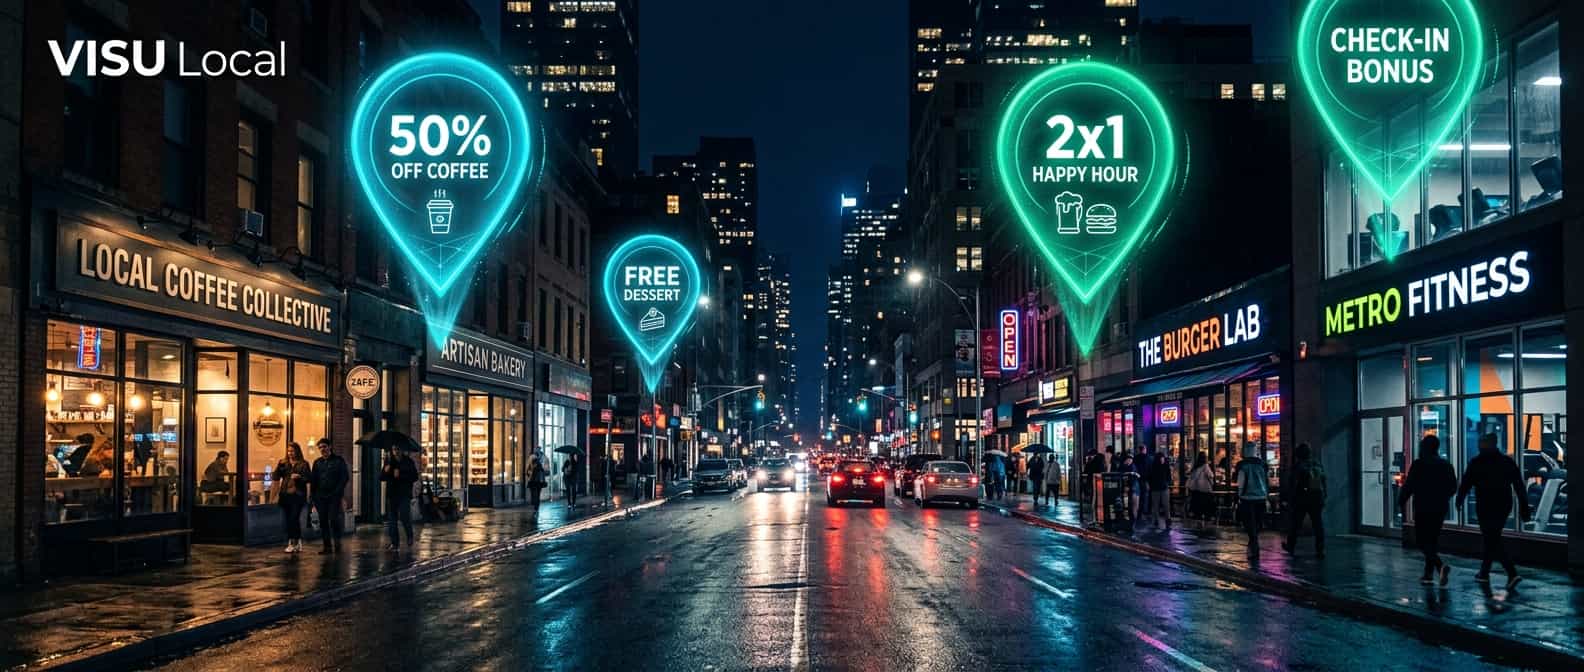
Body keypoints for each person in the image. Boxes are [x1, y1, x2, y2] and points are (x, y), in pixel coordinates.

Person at [1457, 434, 1529, 589]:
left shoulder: (1477, 462)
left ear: (1484, 444)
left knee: (1492, 538)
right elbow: (1519, 485)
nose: (1478, 446)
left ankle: (1511, 573)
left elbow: (1466, 482)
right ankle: (1484, 572)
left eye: (1480, 443)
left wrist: (1459, 499)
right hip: (1503, 504)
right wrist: (1524, 506)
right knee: (1492, 536)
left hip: (1485, 504)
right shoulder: (1506, 462)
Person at [1398, 435, 1458, 586]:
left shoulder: (1419, 464)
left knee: (1421, 541)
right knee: (1432, 540)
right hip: (1440, 507)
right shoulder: (1446, 464)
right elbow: (1453, 487)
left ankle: (1439, 566)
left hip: (1423, 506)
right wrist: (1442, 497)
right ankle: (1428, 574)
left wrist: (1401, 500)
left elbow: (1409, 485)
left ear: (1424, 447)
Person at [1281, 443, 1327, 557]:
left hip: (1302, 498)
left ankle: (1290, 546)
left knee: (1296, 523)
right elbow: (1324, 480)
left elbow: (1293, 484)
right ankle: (1320, 549)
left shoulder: (1298, 466)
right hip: (1317, 497)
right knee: (1318, 524)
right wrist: (1324, 494)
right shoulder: (1317, 464)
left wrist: (1289, 498)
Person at [309, 439, 350, 555]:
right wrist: (313, 496)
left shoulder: (338, 461)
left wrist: (338, 492)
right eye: (320, 447)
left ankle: (337, 544)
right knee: (323, 521)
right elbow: (314, 480)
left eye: (324, 446)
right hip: (320, 497)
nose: (322, 449)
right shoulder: (317, 463)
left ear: (330, 447)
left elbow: (344, 477)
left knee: (333, 519)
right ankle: (327, 547)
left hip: (334, 496)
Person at [273, 442, 312, 553]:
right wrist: (274, 495)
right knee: (288, 519)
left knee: (293, 518)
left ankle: (293, 542)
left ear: (297, 451)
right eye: (288, 451)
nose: (290, 453)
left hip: (298, 496)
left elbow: (308, 479)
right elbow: (276, 477)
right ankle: (295, 541)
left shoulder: (304, 464)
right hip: (285, 495)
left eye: (292, 451)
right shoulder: (283, 463)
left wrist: (300, 477)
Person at [379, 444, 420, 551]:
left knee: (404, 515)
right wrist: (385, 471)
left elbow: (415, 476)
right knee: (392, 520)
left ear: (401, 450)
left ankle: (409, 535)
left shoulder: (408, 462)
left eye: (397, 449)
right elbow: (381, 477)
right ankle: (394, 543)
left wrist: (401, 475)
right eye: (393, 449)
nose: (395, 451)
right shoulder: (389, 462)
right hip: (392, 494)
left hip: (404, 494)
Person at [1235, 442, 1270, 559]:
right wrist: (1267, 495)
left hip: (1247, 498)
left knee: (1249, 523)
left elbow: (1241, 482)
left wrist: (1239, 495)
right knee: (1258, 523)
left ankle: (1254, 546)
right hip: (1261, 497)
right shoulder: (1262, 464)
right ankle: (1253, 544)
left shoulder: (1241, 465)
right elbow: (1266, 480)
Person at [1187, 452, 1214, 521]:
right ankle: (1206, 520)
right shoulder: (1205, 466)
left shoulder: (1195, 466)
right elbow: (1211, 475)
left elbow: (1191, 475)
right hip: (1204, 489)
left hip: (1196, 489)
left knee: (1197, 506)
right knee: (1206, 504)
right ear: (1205, 458)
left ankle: (1197, 518)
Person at [1148, 453, 1172, 529]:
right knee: (1156, 505)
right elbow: (1150, 477)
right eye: (1161, 458)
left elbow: (1169, 476)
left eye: (1163, 458)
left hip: (1164, 488)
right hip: (1156, 489)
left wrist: (1167, 483)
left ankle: (1168, 519)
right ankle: (1156, 519)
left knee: (1166, 505)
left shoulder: (1166, 466)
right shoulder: (1153, 467)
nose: (1162, 460)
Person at [528, 450, 548, 515]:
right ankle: (536, 508)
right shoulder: (539, 464)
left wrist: (530, 473)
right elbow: (545, 472)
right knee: (537, 495)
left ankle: (535, 508)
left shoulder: (536, 463)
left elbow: (528, 472)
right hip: (538, 482)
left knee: (535, 495)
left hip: (535, 481)